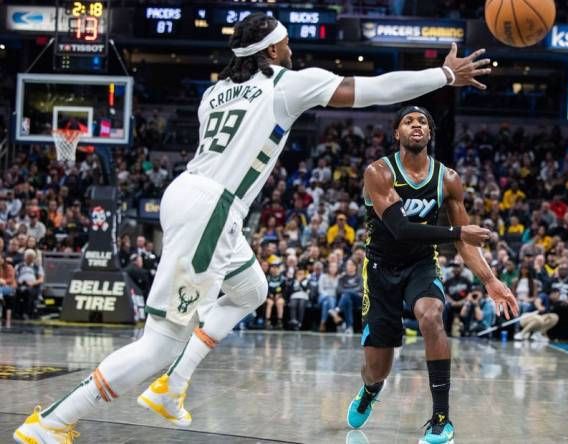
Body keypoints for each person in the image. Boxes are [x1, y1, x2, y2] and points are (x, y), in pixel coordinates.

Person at [15, 13, 493, 443]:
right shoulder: (286, 83)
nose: (290, 50)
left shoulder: (213, 94)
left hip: (189, 197)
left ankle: (172, 388)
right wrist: (446, 75)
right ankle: (53, 421)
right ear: (270, 51)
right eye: (284, 43)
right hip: (212, 208)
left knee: (251, 290)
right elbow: (378, 90)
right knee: (159, 344)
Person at [345, 106, 517, 444]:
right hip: (380, 268)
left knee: (432, 314)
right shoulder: (378, 172)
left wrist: (491, 280)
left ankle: (441, 420)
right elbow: (400, 229)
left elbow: (467, 243)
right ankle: (370, 389)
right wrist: (457, 233)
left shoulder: (448, 179)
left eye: (422, 121)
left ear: (430, 133)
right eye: (408, 121)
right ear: (396, 133)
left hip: (421, 265)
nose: (416, 125)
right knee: (377, 367)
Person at [14, 249, 43, 320]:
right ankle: (17, 313)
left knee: (28, 292)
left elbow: (41, 279)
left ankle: (26, 313)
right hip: (20, 284)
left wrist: (33, 283)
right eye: (28, 257)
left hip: (32, 286)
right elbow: (14, 277)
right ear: (24, 257)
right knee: (17, 292)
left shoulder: (38, 267)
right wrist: (18, 281)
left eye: (31, 257)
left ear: (33, 258)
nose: (29, 259)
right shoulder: (19, 266)